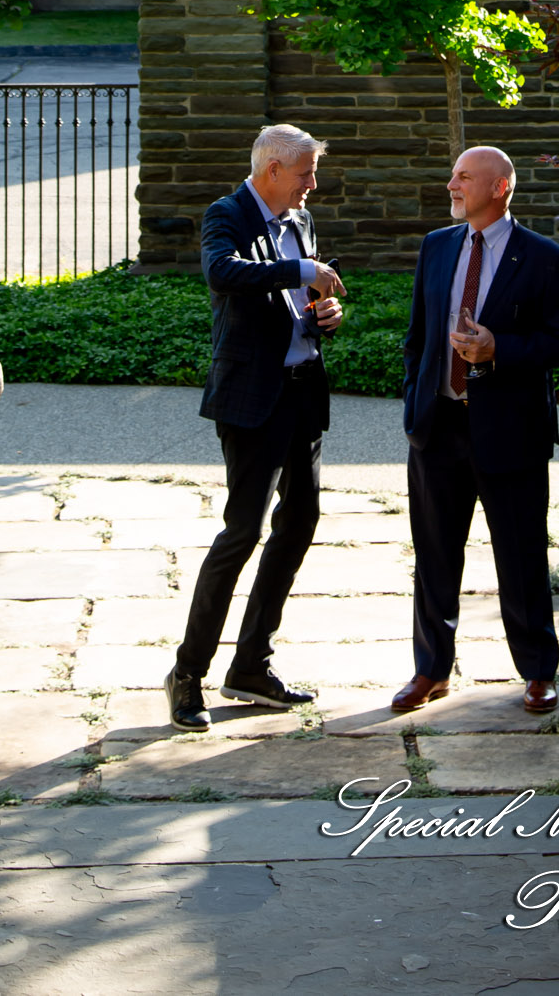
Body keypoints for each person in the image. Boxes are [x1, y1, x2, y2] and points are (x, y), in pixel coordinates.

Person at [164, 124, 345, 732]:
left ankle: (251, 666)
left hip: (304, 393)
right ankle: (188, 674)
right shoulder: (227, 213)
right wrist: (302, 271)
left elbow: (304, 302)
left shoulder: (302, 222)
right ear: (272, 169)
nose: (312, 184)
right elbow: (223, 272)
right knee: (241, 532)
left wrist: (325, 313)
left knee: (299, 523)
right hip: (251, 399)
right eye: (304, 173)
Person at [393, 145, 559, 718]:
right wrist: (414, 404)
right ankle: (431, 669)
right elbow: (418, 337)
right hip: (439, 427)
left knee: (521, 556)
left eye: (464, 177)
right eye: (453, 174)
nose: (452, 184)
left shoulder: (544, 258)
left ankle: (538, 672)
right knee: (434, 555)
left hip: (511, 431)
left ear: (500, 187)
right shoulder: (437, 246)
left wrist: (500, 347)